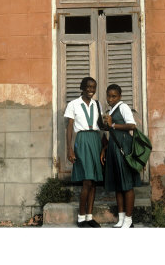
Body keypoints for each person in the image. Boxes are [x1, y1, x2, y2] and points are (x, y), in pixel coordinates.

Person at [64, 77, 104, 228]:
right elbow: (69, 127)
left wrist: (104, 147)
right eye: (88, 87)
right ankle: (81, 218)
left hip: (95, 140)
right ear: (82, 87)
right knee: (86, 180)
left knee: (93, 182)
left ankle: (89, 216)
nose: (91, 90)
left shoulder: (98, 104)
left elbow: (101, 126)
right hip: (82, 140)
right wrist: (69, 148)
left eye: (93, 87)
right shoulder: (73, 104)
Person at [101, 84, 141, 228]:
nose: (110, 99)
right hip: (113, 148)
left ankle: (129, 220)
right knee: (119, 185)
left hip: (123, 148)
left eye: (114, 96)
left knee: (127, 185)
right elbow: (110, 130)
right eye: (108, 96)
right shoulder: (110, 110)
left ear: (120, 96)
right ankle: (122, 217)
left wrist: (113, 125)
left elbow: (132, 125)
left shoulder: (123, 107)